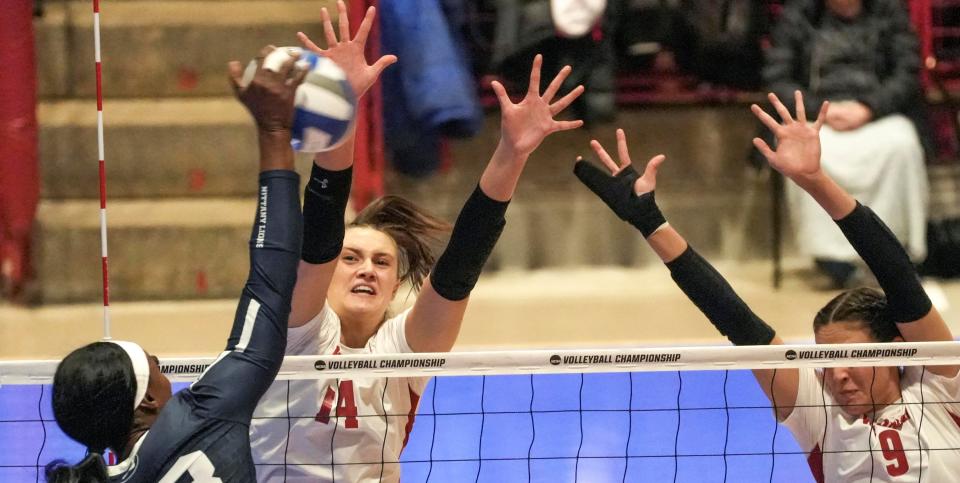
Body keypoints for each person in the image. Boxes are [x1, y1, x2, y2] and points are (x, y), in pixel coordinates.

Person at [249, 3, 585, 482]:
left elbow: (459, 267)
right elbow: (321, 229)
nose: (366, 268)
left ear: (396, 283)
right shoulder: (300, 330)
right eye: (352, 258)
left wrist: (512, 153)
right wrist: (341, 106)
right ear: (328, 273)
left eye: (382, 262)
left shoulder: (403, 349)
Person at [574, 91, 959, 482]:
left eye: (851, 356)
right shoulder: (819, 414)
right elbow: (739, 322)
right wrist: (651, 224)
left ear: (898, 353)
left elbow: (897, 276)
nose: (837, 374)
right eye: (826, 360)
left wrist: (815, 181)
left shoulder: (940, 388)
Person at [45, 46, 306, 482]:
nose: (167, 370)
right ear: (147, 400)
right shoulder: (202, 415)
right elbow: (271, 283)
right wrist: (275, 130)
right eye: (158, 366)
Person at [764, 0, 929, 287]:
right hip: (818, 117)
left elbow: (907, 73)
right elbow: (778, 78)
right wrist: (821, 110)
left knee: (902, 144)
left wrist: (869, 107)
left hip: (877, 113)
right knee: (803, 153)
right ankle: (832, 260)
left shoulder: (890, 11)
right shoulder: (798, 15)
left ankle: (892, 253)